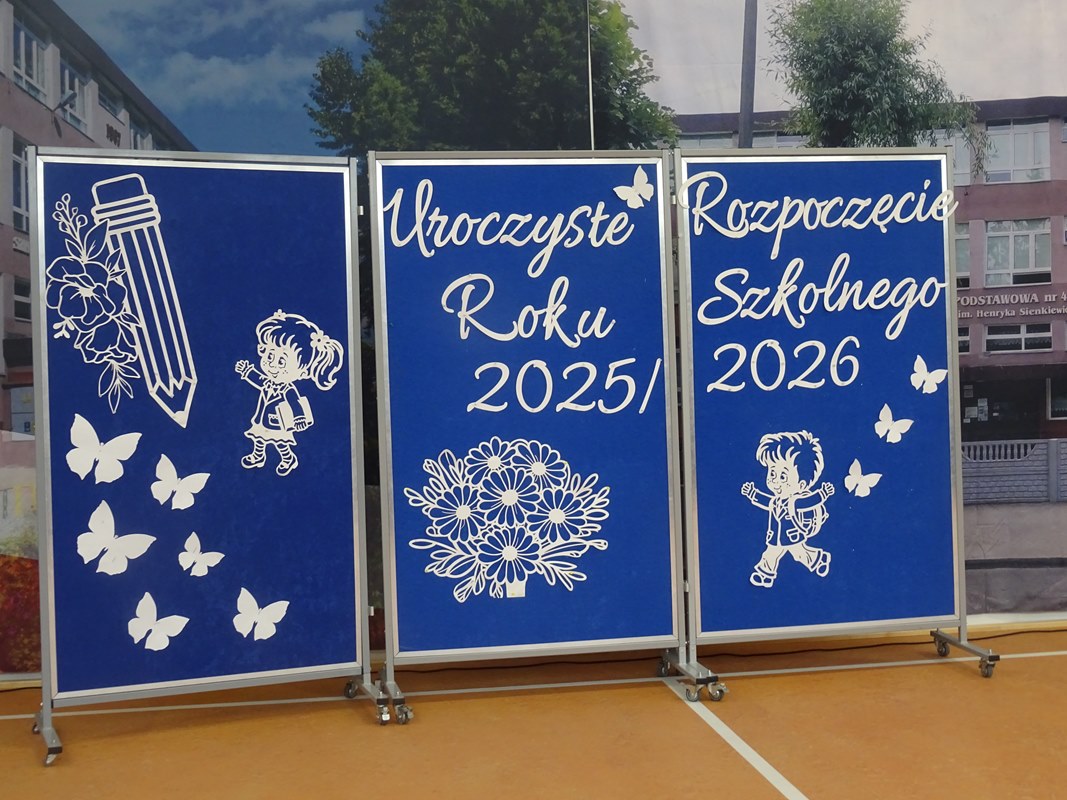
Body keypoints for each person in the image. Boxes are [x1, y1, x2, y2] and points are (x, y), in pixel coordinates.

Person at [235, 310, 343, 476]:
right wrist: (247, 371)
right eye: (270, 355)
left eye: (281, 361)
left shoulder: (288, 389)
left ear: (302, 372)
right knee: (258, 438)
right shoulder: (269, 382)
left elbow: (295, 403)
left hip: (278, 423)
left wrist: (299, 419)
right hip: (262, 419)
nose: (272, 365)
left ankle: (288, 458)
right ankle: (258, 456)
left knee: (280, 443)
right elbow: (259, 380)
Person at [740, 430, 834, 588]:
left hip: (792, 535)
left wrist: (823, 493)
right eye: (772, 473)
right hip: (776, 537)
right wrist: (752, 494)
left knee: (797, 554)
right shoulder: (776, 501)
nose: (775, 481)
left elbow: (810, 501)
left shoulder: (795, 502)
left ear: (802, 485)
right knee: (774, 553)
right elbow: (765, 501)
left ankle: (818, 560)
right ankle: (765, 574)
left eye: (783, 476)